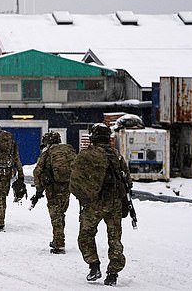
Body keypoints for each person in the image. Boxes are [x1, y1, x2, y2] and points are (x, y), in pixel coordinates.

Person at [70, 123, 132, 287]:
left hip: (93, 204)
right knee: (115, 239)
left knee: (85, 235)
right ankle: (113, 273)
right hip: (114, 203)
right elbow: (128, 181)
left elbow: (75, 180)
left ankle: (93, 265)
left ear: (93, 137)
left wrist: (84, 194)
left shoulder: (86, 155)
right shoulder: (116, 155)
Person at [32, 131, 77, 254]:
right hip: (67, 187)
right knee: (61, 213)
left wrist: (39, 188)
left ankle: (59, 243)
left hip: (53, 188)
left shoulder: (47, 153)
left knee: (55, 215)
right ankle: (58, 238)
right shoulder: (69, 151)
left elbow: (37, 171)